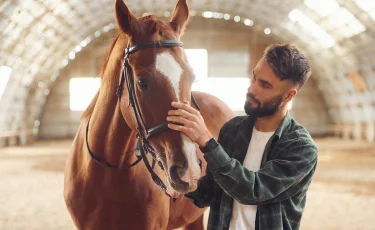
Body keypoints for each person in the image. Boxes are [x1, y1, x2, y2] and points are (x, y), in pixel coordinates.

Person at [166, 44, 318, 230]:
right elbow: (212, 192)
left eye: (265, 85)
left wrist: (206, 140)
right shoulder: (232, 130)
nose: (252, 89)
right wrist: (181, 184)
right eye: (254, 77)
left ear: (288, 95)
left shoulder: (301, 148)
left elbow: (253, 190)